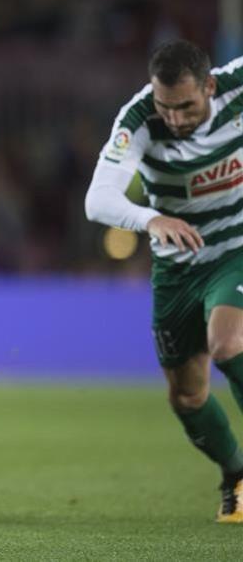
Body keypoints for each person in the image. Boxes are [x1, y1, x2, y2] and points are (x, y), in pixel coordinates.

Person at [85, 40, 243, 524]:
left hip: (235, 248)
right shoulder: (138, 120)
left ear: (210, 87)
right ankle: (235, 475)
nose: (174, 118)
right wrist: (151, 220)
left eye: (186, 106)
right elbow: (99, 200)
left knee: (227, 342)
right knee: (187, 394)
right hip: (178, 265)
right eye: (165, 106)